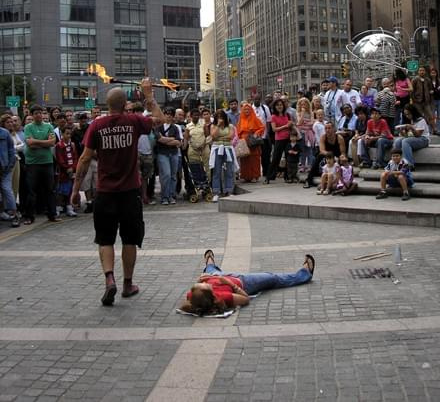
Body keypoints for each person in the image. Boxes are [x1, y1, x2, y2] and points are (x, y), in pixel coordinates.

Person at [70, 79, 165, 306]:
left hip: (104, 192)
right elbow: (160, 119)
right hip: (130, 191)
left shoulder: (97, 125)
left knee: (105, 239)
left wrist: (75, 190)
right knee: (129, 239)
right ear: (125, 104)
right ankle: (127, 284)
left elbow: (84, 158)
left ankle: (109, 278)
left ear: (107, 104)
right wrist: (149, 96)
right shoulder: (133, 121)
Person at [180, 249, 315, 315]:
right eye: (202, 284)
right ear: (209, 293)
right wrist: (229, 283)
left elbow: (195, 294)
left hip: (217, 275)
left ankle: (209, 262)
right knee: (272, 278)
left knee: (210, 270)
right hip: (242, 282)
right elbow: (245, 299)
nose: (200, 283)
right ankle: (305, 273)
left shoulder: (193, 296)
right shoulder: (223, 297)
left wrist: (201, 279)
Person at [23, 105, 58, 225]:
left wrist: (37, 142)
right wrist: (45, 143)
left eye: (40, 113)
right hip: (32, 163)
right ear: (32, 115)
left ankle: (52, 214)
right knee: (31, 191)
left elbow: (52, 142)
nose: (39, 115)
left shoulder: (49, 126)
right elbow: (30, 144)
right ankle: (29, 216)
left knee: (50, 190)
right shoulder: (28, 127)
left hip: (47, 162)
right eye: (36, 113)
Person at [304, 121, 346, 188]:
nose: (327, 130)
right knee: (318, 157)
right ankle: (308, 180)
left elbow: (343, 152)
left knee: (342, 160)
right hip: (328, 156)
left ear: (333, 129)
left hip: (338, 157)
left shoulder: (339, 138)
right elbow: (322, 150)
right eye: (326, 128)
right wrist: (331, 156)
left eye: (329, 128)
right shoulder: (323, 137)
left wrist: (340, 157)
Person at [155, 107, 182, 205]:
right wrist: (171, 139)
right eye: (167, 113)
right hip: (162, 153)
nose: (168, 116)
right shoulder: (158, 127)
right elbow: (159, 139)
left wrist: (165, 140)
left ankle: (171, 195)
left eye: (171, 114)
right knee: (165, 175)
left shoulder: (175, 128)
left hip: (173, 154)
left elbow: (178, 142)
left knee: (173, 175)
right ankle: (165, 196)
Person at [209, 110, 237, 202]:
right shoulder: (213, 126)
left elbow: (230, 136)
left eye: (221, 116)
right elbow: (213, 136)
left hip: (228, 148)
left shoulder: (230, 126)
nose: (220, 118)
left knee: (229, 170)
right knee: (216, 171)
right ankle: (216, 192)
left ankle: (229, 190)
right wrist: (218, 125)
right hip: (217, 149)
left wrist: (220, 137)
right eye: (218, 116)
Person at [393, 103, 430, 170]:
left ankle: (409, 164)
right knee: (398, 141)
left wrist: (412, 128)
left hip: (423, 139)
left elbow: (418, 135)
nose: (407, 116)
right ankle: (397, 163)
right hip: (412, 139)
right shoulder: (409, 120)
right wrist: (400, 130)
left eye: (409, 114)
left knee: (405, 141)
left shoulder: (421, 120)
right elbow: (406, 136)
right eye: (406, 114)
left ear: (413, 112)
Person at [264, 99, 293, 183]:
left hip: (288, 139)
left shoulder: (287, 115)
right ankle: (269, 177)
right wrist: (285, 126)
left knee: (288, 158)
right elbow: (274, 129)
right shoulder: (273, 116)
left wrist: (290, 125)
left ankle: (287, 176)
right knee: (276, 158)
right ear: (274, 107)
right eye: (277, 105)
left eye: (281, 105)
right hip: (279, 139)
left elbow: (290, 125)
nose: (279, 106)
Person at [236, 103, 265, 182]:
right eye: (245, 109)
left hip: (253, 141)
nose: (246, 111)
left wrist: (256, 133)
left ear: (251, 110)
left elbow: (262, 127)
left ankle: (254, 176)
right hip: (244, 141)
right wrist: (239, 139)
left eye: (248, 109)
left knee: (254, 159)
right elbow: (238, 131)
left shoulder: (255, 119)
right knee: (245, 159)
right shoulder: (241, 119)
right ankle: (246, 176)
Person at [54, 126, 78, 217]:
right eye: (66, 133)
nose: (69, 135)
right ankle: (58, 208)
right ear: (62, 134)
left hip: (72, 172)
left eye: (70, 134)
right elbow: (60, 159)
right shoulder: (59, 146)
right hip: (63, 173)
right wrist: (67, 168)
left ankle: (69, 207)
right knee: (61, 191)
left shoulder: (72, 145)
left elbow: (75, 157)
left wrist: (73, 167)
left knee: (70, 190)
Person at [0, 117, 19, 227]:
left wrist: (10, 165)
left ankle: (14, 214)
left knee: (7, 190)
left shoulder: (4, 133)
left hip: (4, 168)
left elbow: (11, 150)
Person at [252, 94, 272, 177]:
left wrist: (267, 133)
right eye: (255, 99)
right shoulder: (250, 108)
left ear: (261, 99)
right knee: (255, 156)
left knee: (265, 155)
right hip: (254, 137)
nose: (257, 101)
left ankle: (266, 172)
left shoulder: (265, 108)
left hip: (264, 136)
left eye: (258, 99)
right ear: (253, 99)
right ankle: (255, 173)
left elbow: (268, 121)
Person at [296, 97, 315, 172]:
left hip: (309, 133)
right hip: (301, 133)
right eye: (301, 104)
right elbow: (299, 123)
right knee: (302, 150)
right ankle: (302, 165)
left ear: (308, 104)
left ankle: (310, 165)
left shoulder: (311, 113)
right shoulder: (298, 113)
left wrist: (305, 123)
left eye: (305, 104)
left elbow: (312, 123)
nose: (303, 105)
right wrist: (303, 114)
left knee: (309, 150)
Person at [429, 68, 440, 135]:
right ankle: (431, 130)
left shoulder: (439, 80)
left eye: (434, 73)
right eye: (432, 73)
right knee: (432, 116)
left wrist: (434, 91)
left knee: (439, 116)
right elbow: (428, 90)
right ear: (430, 73)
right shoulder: (428, 81)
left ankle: (439, 130)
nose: (433, 74)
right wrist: (436, 91)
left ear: (436, 73)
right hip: (432, 100)